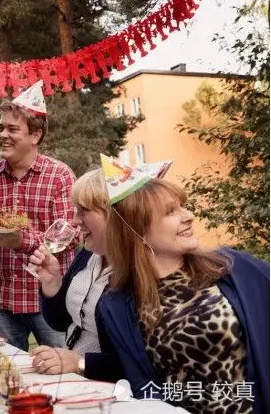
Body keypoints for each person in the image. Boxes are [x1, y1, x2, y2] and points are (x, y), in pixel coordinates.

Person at [97, 157, 269, 413]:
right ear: (138, 231)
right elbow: (135, 383)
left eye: (183, 207)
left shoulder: (232, 268)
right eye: (170, 212)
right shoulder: (115, 307)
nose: (189, 216)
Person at [0, 81, 76, 351]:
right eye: (1, 127)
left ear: (35, 135)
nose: (2, 134)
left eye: (12, 129)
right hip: (2, 302)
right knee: (6, 372)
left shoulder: (60, 176)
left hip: (50, 299)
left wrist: (20, 241)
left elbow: (69, 238)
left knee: (63, 369)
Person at [26, 168, 121, 381]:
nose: (75, 220)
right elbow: (61, 322)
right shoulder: (88, 255)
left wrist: (79, 363)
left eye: (84, 210)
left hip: (110, 388)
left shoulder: (139, 273)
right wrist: (52, 284)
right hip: (76, 379)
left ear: (115, 214)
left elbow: (141, 364)